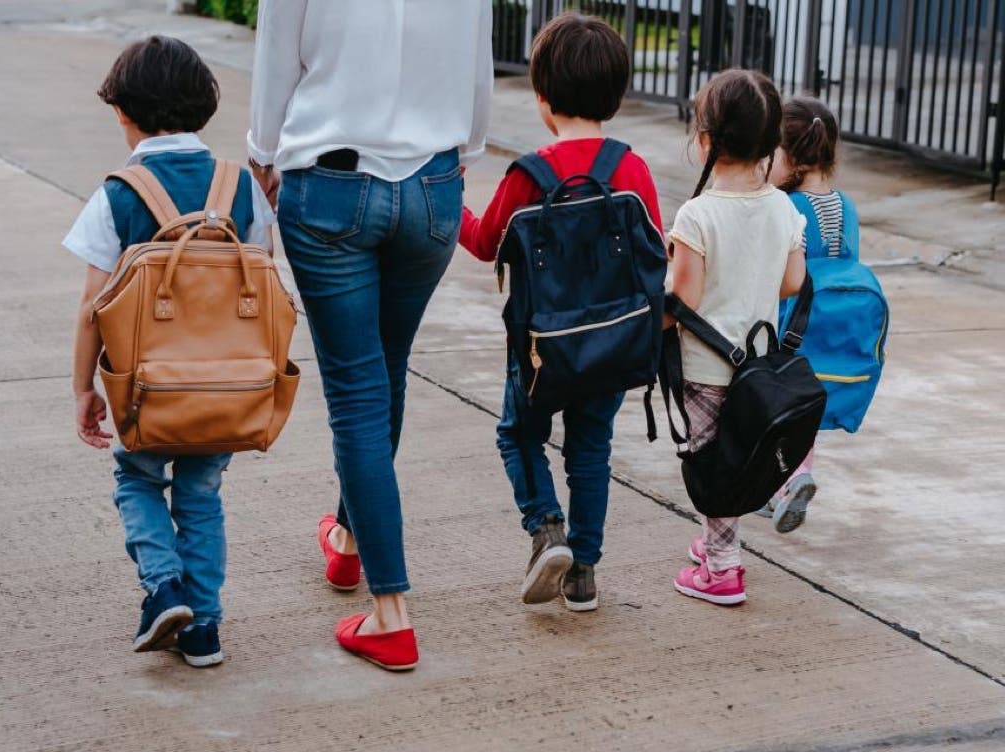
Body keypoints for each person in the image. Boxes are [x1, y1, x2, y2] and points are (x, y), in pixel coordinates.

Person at [247, 1, 492, 671]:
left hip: (329, 182)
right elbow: (478, 71)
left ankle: (390, 612)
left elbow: (277, 57)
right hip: (435, 182)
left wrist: (263, 154)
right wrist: (463, 152)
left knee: (358, 390)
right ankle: (350, 539)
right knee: (385, 370)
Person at [65, 36, 276, 666]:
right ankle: (205, 628)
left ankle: (162, 587)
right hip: (227, 388)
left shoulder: (117, 193)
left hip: (147, 388)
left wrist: (84, 388)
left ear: (124, 113)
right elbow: (264, 280)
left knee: (136, 480)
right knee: (202, 496)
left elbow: (90, 310)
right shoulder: (241, 188)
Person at [459, 13, 664, 612]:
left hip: (540, 349)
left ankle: (546, 529)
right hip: (612, 345)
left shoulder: (530, 175)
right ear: (617, 96)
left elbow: (485, 243)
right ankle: (584, 575)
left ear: (543, 98)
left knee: (518, 433)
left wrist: (453, 205)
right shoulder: (631, 168)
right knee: (591, 448)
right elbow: (654, 248)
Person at [668, 69, 806, 605]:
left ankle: (724, 568)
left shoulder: (697, 215)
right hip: (761, 368)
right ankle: (714, 542)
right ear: (772, 144)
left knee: (714, 464)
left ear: (704, 140)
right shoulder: (783, 207)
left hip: (707, 369)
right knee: (737, 456)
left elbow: (685, 299)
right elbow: (793, 281)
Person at [756, 96, 861, 533]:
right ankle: (795, 478)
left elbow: (777, 272)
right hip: (829, 328)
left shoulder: (786, 207)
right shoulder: (847, 206)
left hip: (787, 325)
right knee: (805, 410)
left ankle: (782, 481)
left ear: (790, 156)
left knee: (771, 409)